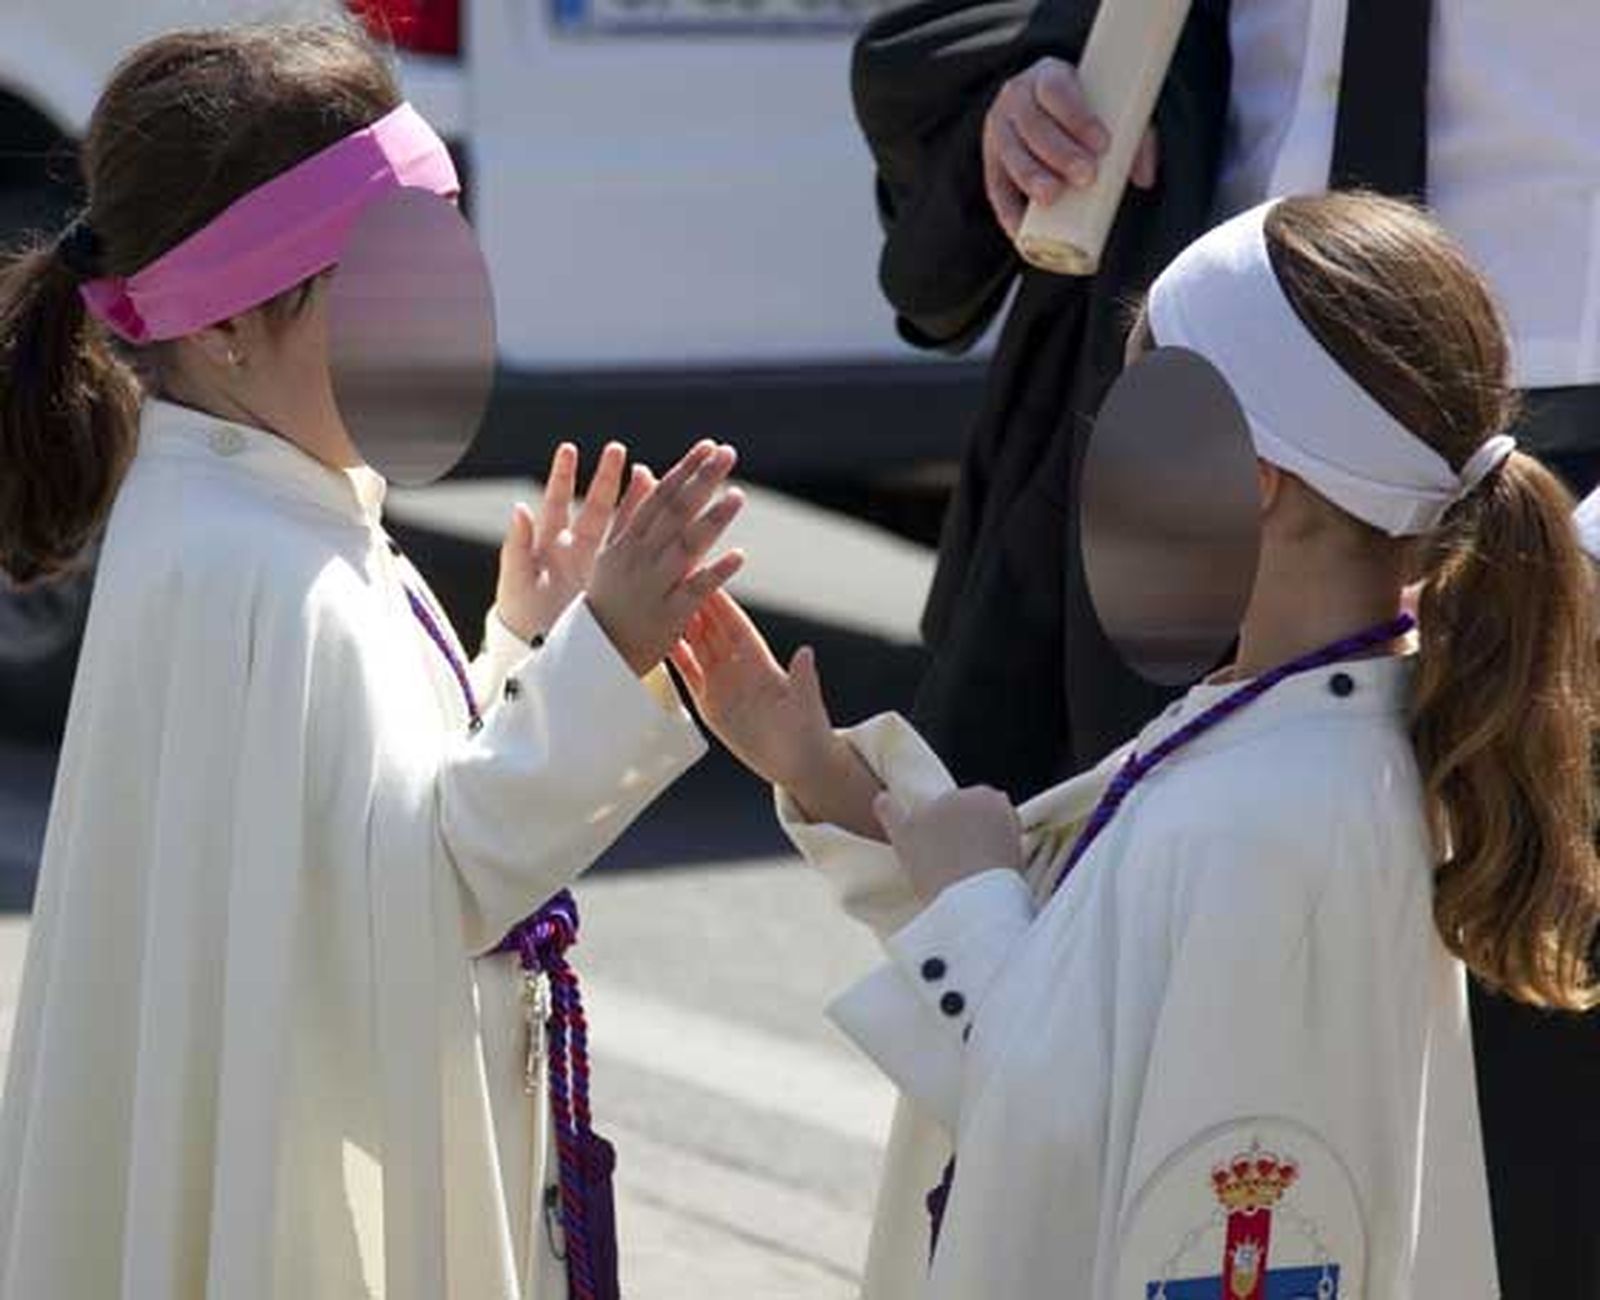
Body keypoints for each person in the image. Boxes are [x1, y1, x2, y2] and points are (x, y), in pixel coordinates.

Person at [674, 193, 1600, 1298]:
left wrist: (970, 902)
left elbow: (1104, 1163)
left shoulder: (1275, 817)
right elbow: (1096, 1018)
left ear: (1257, 478)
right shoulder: (1299, 728)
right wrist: (834, 784)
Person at [0, 22, 744, 1299]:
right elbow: (423, 892)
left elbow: (371, 838)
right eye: (379, 279)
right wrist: (601, 654)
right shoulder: (260, 572)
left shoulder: (270, 511)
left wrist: (520, 650)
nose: (432, 316)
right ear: (226, 324)